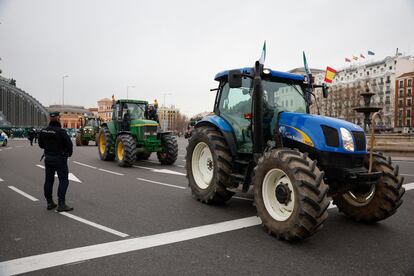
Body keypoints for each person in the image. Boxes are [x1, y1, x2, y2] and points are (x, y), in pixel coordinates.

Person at [38, 112, 74, 212]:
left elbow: (41, 145)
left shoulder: (43, 131)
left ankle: (50, 203)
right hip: (60, 159)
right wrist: (68, 154)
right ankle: (61, 204)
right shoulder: (61, 131)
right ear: (58, 118)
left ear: (50, 119)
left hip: (48, 158)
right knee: (63, 180)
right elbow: (69, 145)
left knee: (48, 180)